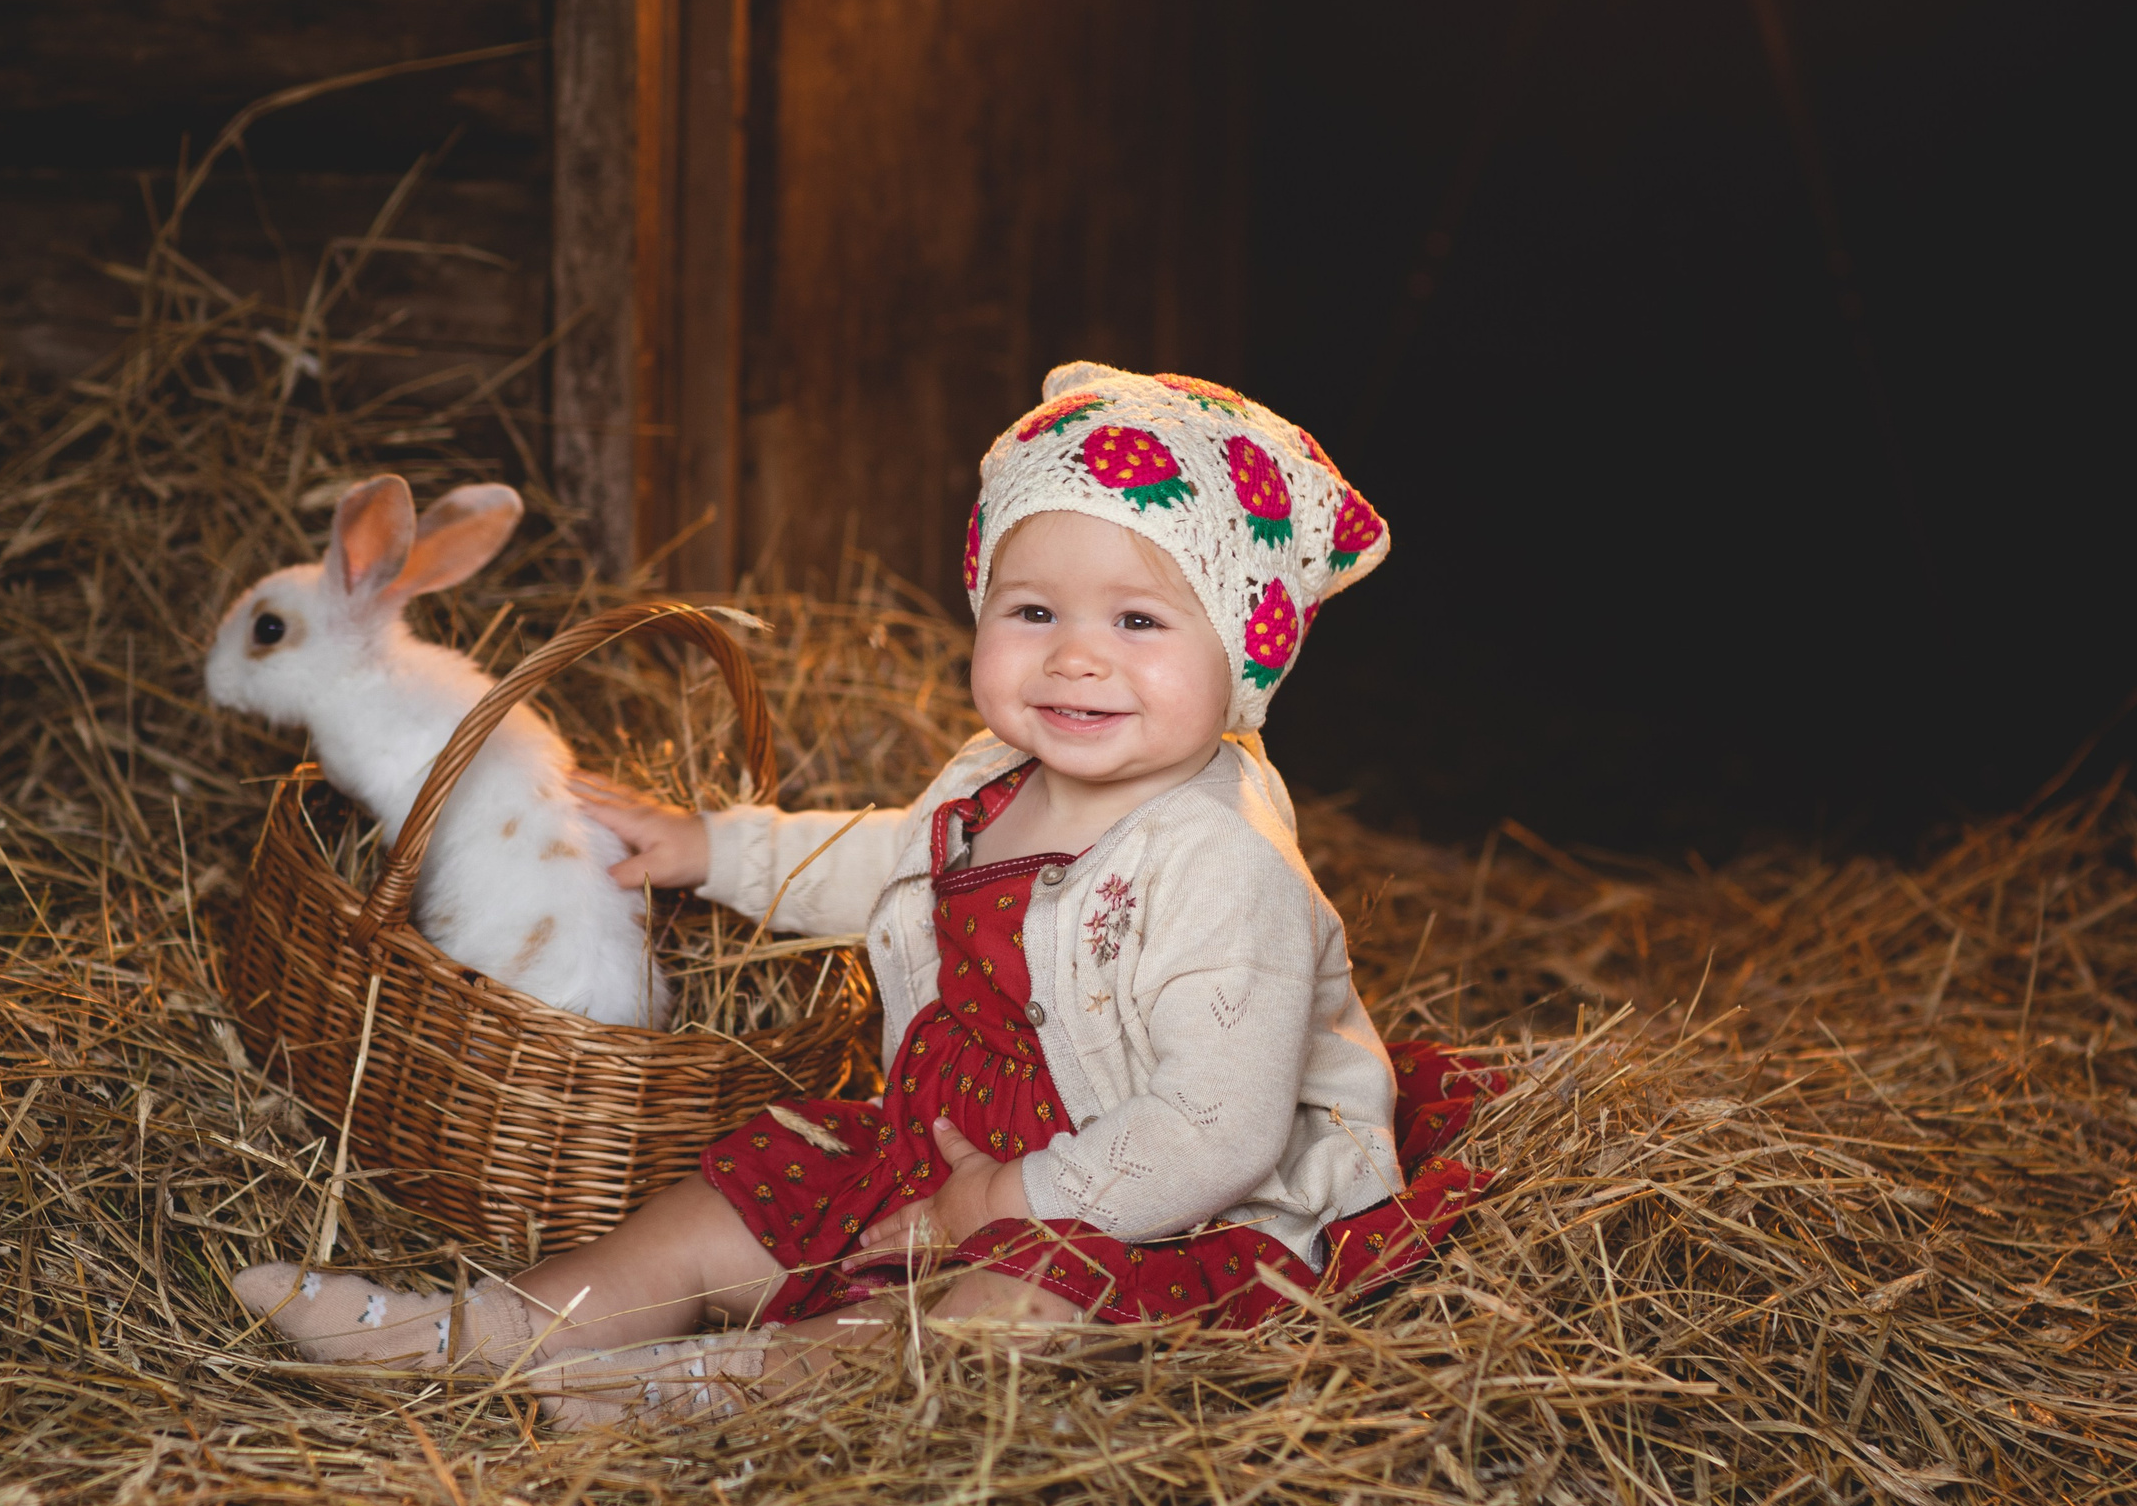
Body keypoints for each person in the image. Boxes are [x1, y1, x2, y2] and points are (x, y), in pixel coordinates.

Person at [229, 363, 1501, 1425]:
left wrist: (1003, 1203)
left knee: (1007, 1316)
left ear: (1247, 657)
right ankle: (503, 1326)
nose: (1074, 655)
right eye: (1034, 607)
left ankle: (713, 1390)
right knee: (738, 1187)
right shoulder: (999, 776)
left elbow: (1213, 1131)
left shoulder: (1224, 866)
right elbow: (884, 859)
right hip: (949, 1145)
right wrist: (710, 850)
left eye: (1140, 624)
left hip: (1139, 1205)